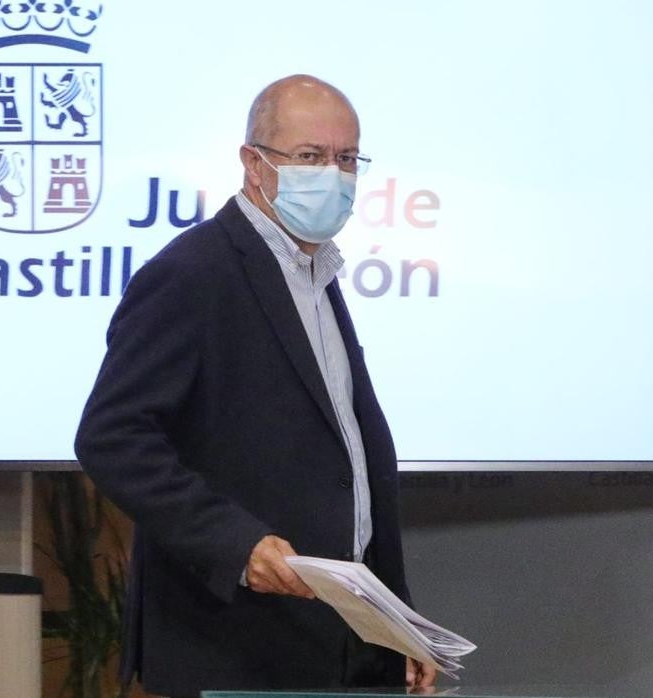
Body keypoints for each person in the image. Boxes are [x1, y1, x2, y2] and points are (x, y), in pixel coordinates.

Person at [74, 74, 436, 697]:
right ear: (253, 163)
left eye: (347, 158)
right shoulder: (192, 272)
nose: (333, 175)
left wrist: (394, 623)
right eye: (310, 157)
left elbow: (347, 459)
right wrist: (237, 545)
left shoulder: (315, 274)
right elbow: (112, 438)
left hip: (341, 642)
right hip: (235, 644)